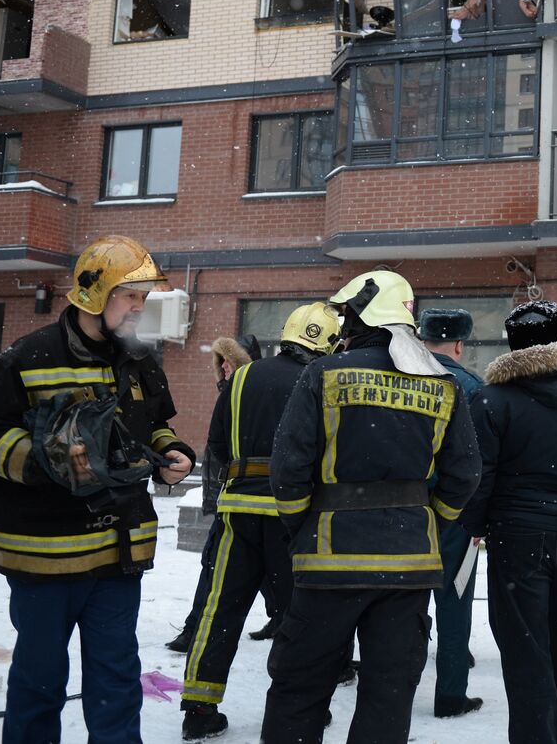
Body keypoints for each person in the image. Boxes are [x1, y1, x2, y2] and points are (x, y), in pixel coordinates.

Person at [0, 235, 196, 743]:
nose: (141, 307)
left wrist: (170, 453)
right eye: (130, 295)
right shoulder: (30, 356)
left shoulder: (138, 359)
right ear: (94, 293)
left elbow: (149, 425)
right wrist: (48, 462)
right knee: (40, 683)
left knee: (116, 682)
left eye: (144, 296)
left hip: (117, 556)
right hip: (46, 558)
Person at [262, 271, 480, 744]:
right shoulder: (443, 385)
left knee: (300, 688)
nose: (340, 326)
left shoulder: (321, 374)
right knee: (389, 695)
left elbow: (288, 471)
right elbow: (464, 475)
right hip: (409, 568)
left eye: (344, 315)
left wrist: (304, 524)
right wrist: (426, 526)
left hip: (327, 565)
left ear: (361, 316)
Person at [179, 303, 340, 740]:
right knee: (299, 614)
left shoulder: (243, 375)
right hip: (294, 516)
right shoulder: (323, 380)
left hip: (239, 512)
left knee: (220, 610)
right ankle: (302, 707)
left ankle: (198, 707)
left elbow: (215, 443)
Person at [462, 301, 557, 744]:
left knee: (524, 649)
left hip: (518, 537)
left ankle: (536, 734)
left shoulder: (492, 400)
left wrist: (475, 523)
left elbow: (480, 476)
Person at [168, 336, 273, 656]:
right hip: (231, 496)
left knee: (218, 566)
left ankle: (195, 628)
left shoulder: (250, 397)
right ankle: (282, 618)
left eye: (229, 360)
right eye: (220, 362)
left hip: (245, 498)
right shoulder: (229, 394)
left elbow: (222, 448)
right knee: (264, 568)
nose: (223, 366)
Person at [416, 308, 485, 718]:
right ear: (459, 345)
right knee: (455, 603)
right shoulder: (472, 387)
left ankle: (396, 682)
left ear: (423, 341)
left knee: (402, 601)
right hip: (456, 513)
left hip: (403, 510)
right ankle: (450, 694)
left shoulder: (400, 379)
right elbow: (477, 462)